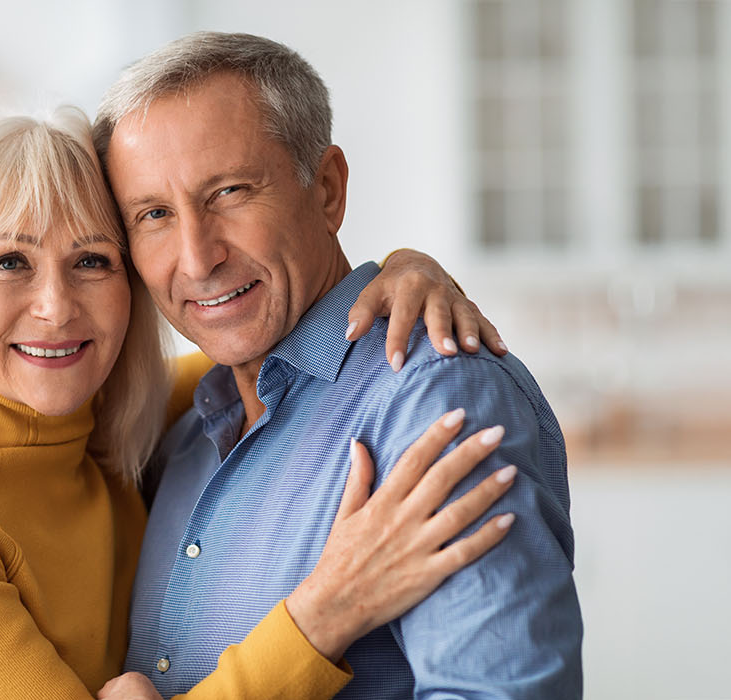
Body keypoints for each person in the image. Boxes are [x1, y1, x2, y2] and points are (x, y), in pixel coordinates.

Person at [0, 103, 519, 700]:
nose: (55, 307)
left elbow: (275, 341)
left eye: (92, 262)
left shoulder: (121, 432)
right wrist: (329, 610)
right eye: (8, 263)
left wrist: (403, 270)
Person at [94, 32, 580, 699]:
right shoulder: (177, 439)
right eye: (153, 214)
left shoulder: (433, 403)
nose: (196, 257)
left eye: (230, 192)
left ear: (326, 189)